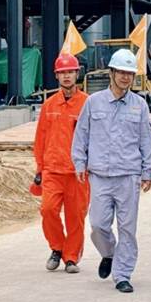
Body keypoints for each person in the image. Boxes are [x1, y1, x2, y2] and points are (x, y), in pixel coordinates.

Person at [71, 48, 151, 293]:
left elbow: (146, 140)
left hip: (129, 175)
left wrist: (148, 171)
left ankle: (122, 275)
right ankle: (109, 253)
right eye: (121, 72)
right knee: (98, 225)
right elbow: (81, 135)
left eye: (129, 73)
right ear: (111, 73)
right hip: (100, 175)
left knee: (127, 228)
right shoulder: (93, 102)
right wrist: (79, 162)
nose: (125, 77)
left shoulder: (139, 106)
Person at [32, 53, 89, 273]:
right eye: (62, 73)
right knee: (48, 210)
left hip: (78, 172)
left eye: (70, 72)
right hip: (53, 170)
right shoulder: (49, 105)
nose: (66, 76)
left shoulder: (87, 104)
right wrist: (40, 168)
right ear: (56, 76)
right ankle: (57, 247)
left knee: (76, 216)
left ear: (77, 73)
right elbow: (41, 138)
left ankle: (71, 257)